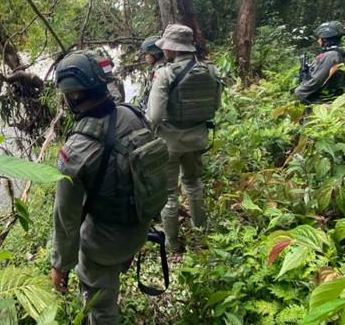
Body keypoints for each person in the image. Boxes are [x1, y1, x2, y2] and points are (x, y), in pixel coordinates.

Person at [49, 50, 151, 324]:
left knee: (101, 308)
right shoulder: (134, 115)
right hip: (139, 226)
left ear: (73, 95)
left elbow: (66, 219)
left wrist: (60, 265)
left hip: (104, 244)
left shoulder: (76, 150)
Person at [146, 24, 222, 252]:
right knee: (193, 184)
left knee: (169, 194)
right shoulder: (210, 71)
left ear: (172, 49)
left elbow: (154, 116)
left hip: (168, 142)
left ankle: (172, 245)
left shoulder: (165, 74)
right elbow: (216, 106)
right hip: (197, 138)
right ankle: (200, 235)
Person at [293, 21, 345, 104]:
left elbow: (316, 80)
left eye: (320, 38)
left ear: (325, 39)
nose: (318, 41)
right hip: (338, 96)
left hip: (326, 99)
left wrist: (299, 91)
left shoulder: (329, 56)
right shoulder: (342, 52)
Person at [136, 36, 166, 111]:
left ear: (155, 54)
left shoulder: (162, 71)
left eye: (147, 53)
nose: (145, 56)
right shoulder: (155, 69)